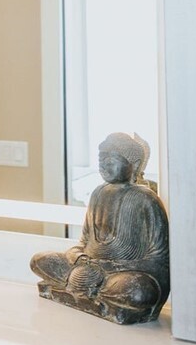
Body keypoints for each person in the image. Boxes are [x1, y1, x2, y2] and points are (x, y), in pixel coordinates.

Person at [31, 132, 170, 324]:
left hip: (120, 275)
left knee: (138, 292)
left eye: (110, 159)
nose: (103, 165)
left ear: (135, 165)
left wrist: (109, 267)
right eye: (100, 159)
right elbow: (85, 241)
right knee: (40, 260)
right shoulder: (98, 193)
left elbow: (159, 260)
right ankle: (91, 290)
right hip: (89, 267)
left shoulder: (146, 199)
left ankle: (90, 289)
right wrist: (78, 257)